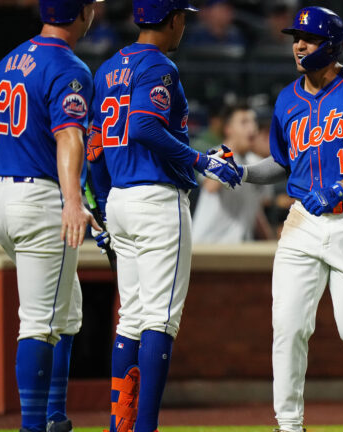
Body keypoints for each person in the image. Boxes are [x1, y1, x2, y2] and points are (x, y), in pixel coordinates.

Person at [222, 7, 343, 432]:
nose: (298, 44)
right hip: (302, 224)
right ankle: (288, 424)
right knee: (287, 327)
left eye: (307, 39)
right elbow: (283, 162)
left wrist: (340, 187)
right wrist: (243, 172)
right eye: (296, 38)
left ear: (329, 45)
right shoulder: (288, 97)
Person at [86, 1, 240, 431]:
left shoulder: (107, 69)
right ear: (173, 19)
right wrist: (201, 161)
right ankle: (145, 426)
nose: (185, 24)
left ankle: (121, 424)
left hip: (119, 198)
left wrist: (101, 206)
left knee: (131, 318)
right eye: (184, 17)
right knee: (159, 319)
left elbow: (95, 149)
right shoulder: (159, 67)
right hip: (156, 199)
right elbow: (144, 128)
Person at [0, 2, 100, 432]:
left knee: (67, 308)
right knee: (40, 321)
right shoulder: (70, 66)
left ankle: (54, 416)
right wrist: (73, 200)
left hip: (2, 197)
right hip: (40, 202)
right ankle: (34, 425)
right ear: (80, 14)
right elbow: (70, 137)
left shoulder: (10, 60)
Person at [192, 103, 274, 243]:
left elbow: (256, 209)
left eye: (253, 121)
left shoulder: (256, 162)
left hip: (239, 246)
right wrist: (231, 147)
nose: (252, 127)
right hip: (207, 244)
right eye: (244, 122)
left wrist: (271, 242)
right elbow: (210, 187)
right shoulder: (216, 154)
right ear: (228, 129)